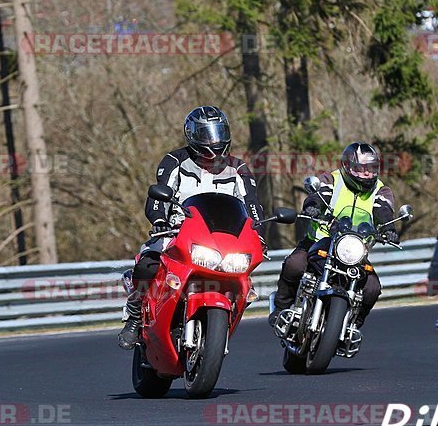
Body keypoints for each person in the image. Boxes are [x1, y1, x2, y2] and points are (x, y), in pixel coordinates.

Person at [117, 106, 264, 349]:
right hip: (177, 231)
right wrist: (160, 221)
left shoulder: (239, 169)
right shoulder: (175, 161)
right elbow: (157, 197)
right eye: (207, 134)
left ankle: (222, 325)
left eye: (218, 132)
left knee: (246, 283)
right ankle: (134, 316)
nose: (214, 141)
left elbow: (252, 204)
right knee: (148, 263)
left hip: (222, 238)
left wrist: (258, 232)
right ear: (193, 135)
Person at [268, 142, 397, 329]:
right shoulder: (333, 179)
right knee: (294, 265)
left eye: (371, 168)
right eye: (361, 169)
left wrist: (389, 229)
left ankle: (352, 324)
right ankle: (280, 309)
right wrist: (312, 206)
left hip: (353, 252)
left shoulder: (381, 189)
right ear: (347, 166)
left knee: (372, 289)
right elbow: (321, 193)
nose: (367, 173)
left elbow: (383, 209)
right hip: (319, 242)